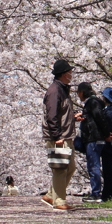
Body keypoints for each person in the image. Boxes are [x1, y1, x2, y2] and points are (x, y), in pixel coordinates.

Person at [42, 59, 77, 211]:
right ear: (63, 74)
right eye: (69, 72)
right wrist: (57, 136)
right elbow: (52, 115)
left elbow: (61, 113)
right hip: (59, 136)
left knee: (70, 167)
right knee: (61, 168)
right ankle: (59, 201)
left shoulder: (62, 89)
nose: (71, 75)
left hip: (66, 134)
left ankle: (51, 195)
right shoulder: (55, 91)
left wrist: (73, 117)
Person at [77, 81, 112, 202]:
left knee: (93, 165)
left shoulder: (92, 102)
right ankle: (96, 192)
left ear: (82, 92)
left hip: (94, 138)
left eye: (78, 92)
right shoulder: (93, 103)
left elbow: (99, 118)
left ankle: (96, 193)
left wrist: (106, 134)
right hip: (95, 138)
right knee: (94, 165)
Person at [100, 87, 112, 202]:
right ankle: (108, 194)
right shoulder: (109, 109)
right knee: (107, 169)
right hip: (108, 143)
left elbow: (109, 123)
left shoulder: (111, 110)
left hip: (109, 144)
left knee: (108, 170)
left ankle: (109, 195)